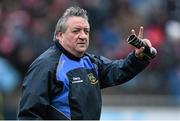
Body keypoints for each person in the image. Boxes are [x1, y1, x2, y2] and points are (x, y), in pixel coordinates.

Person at [18, 6, 156, 120]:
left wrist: (138, 57)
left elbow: (119, 70)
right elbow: (29, 116)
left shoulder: (91, 62)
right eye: (76, 31)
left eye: (86, 31)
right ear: (60, 35)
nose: (83, 36)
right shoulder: (45, 66)